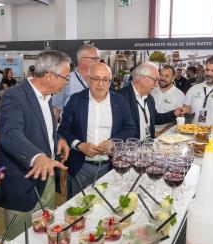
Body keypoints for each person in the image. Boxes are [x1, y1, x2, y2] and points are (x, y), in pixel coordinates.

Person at [0, 50, 71, 239]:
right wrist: (38, 157)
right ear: (50, 76)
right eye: (65, 78)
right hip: (23, 182)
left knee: (44, 234)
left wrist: (58, 138)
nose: (66, 83)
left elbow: (41, 127)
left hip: (47, 179)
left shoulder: (47, 96)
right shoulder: (14, 96)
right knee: (21, 242)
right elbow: (11, 135)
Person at [58, 63, 137, 198]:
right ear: (88, 80)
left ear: (110, 81)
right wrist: (78, 145)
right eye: (96, 78)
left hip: (110, 166)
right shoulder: (75, 100)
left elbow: (131, 128)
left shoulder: (120, 101)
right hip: (80, 167)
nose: (101, 84)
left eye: (105, 79)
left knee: (107, 207)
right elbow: (64, 129)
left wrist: (113, 142)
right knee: (78, 208)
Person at [117, 62, 186, 140]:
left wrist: (174, 113)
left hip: (148, 146)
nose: (157, 84)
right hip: (130, 149)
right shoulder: (120, 98)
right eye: (155, 80)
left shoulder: (149, 98)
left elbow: (155, 118)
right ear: (143, 78)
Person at [51, 44, 99, 120]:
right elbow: (55, 109)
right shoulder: (65, 80)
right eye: (95, 58)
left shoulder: (102, 80)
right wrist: (53, 131)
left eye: (98, 58)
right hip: (71, 129)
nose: (98, 62)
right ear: (83, 60)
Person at [151, 65, 186, 136]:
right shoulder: (151, 91)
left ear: (173, 78)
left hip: (167, 135)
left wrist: (160, 133)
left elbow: (177, 119)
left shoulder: (179, 95)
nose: (162, 78)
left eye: (166, 76)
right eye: (161, 75)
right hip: (148, 133)